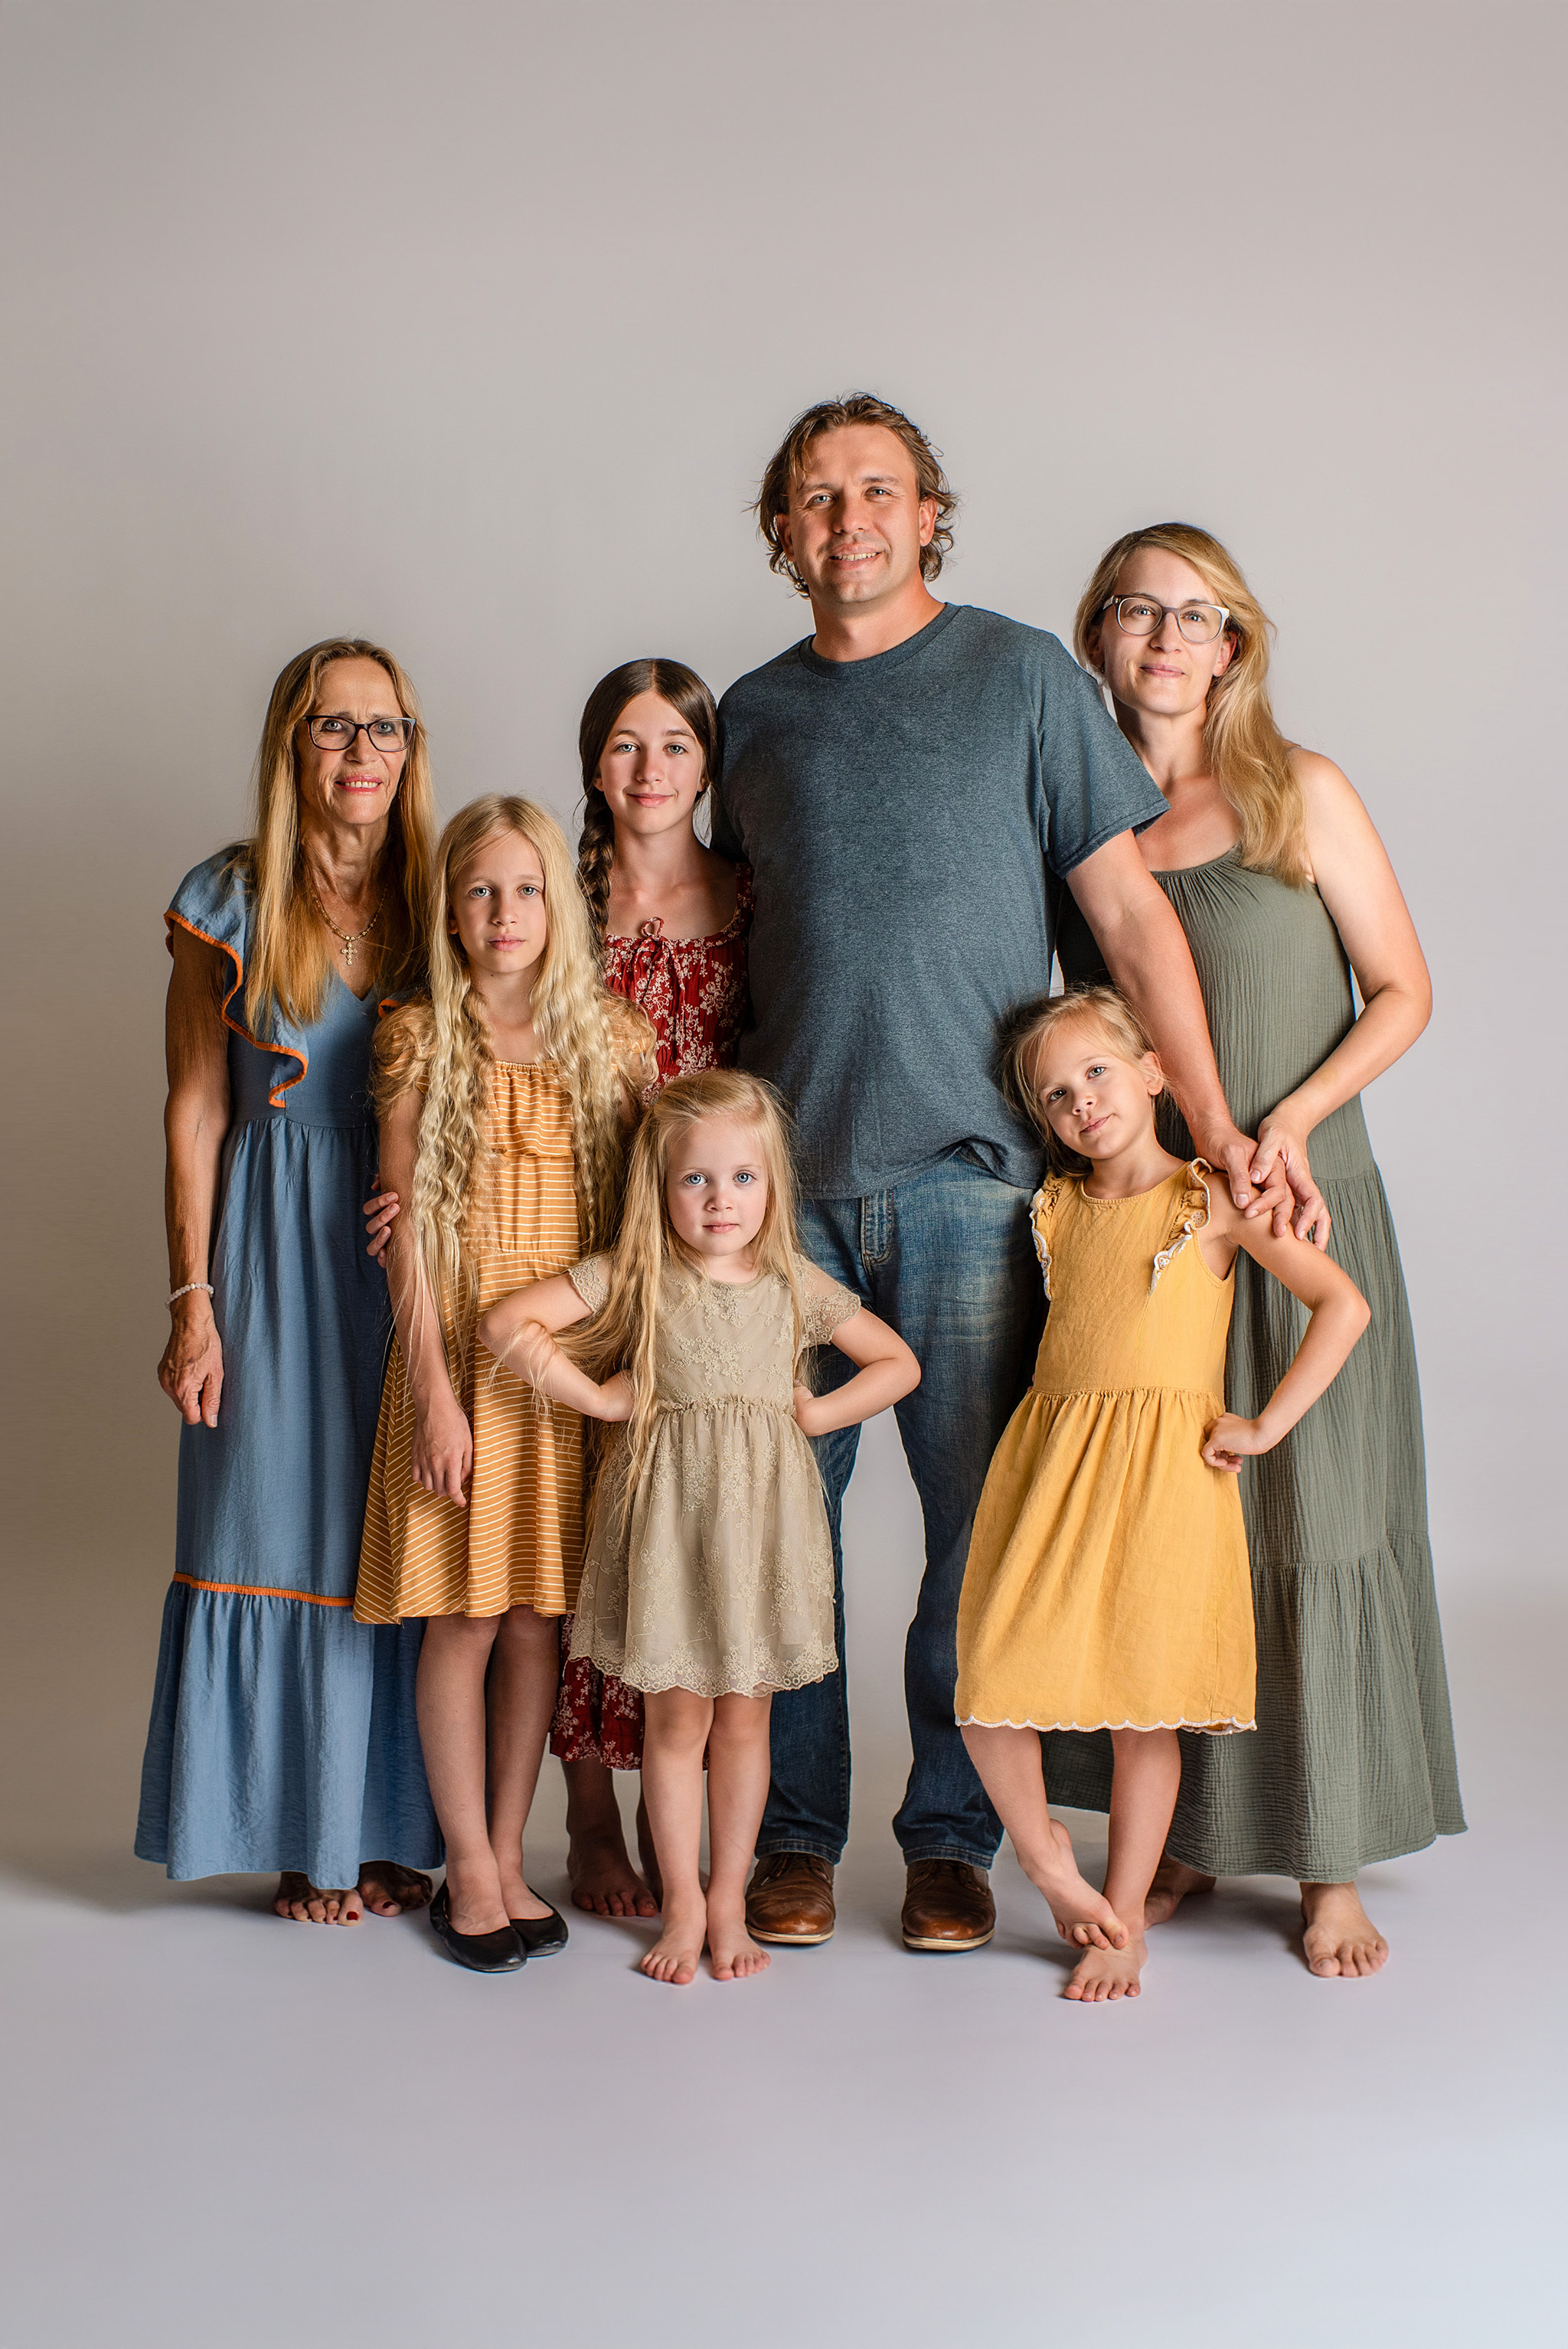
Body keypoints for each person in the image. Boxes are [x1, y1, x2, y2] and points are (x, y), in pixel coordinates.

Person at [712, 393, 1300, 1955]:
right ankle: (793, 1835)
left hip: (981, 1187)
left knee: (987, 1545)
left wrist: (1217, 1128)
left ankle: (953, 1839)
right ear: (782, 531)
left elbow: (1129, 924)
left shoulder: (1024, 677)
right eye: (816, 498)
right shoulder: (752, 717)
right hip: (788, 1208)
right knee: (785, 1536)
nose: (849, 520)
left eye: (879, 491)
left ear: (928, 513)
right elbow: (719, 946)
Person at [1052, 521, 1464, 1977]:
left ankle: (1326, 1859)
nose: (1164, 639)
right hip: (1166, 1223)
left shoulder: (1300, 793)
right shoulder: (1086, 837)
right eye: (1133, 612)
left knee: (1318, 1510)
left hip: (1298, 1198)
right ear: (1097, 637)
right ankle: (1173, 1840)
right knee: (1177, 1526)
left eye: (1194, 615)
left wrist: (1281, 1127)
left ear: (1233, 644)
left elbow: (1404, 991)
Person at [957, 988, 1370, 2000]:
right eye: (1057, 1095)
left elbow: (1340, 1303)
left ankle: (1124, 1917)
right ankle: (1051, 1859)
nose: (1081, 1103)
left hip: (1165, 1480)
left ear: (1152, 1072)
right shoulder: (1054, 1208)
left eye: (1098, 1072)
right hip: (1055, 1470)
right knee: (986, 1682)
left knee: (1147, 1711)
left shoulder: (1210, 1201)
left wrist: (1265, 1423)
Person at [479, 1071, 920, 1984]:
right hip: (672, 1529)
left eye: (742, 1178)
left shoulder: (792, 1279)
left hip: (761, 1532)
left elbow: (898, 1363)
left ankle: (728, 1899)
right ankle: (680, 1902)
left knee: (746, 1725)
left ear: (771, 1183)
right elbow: (507, 1321)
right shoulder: (638, 1273)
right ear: (661, 1184)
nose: (721, 1200)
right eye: (696, 1180)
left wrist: (814, 1414)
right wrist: (596, 1395)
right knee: (676, 1723)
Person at [137, 636, 442, 1924]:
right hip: (266, 1241)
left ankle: (376, 1834)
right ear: (291, 745)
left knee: (390, 1528)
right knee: (268, 1517)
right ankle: (293, 1837)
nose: (361, 751)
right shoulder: (227, 897)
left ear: (410, 749)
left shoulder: (443, 895)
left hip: (400, 1249)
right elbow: (195, 1110)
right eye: (333, 727)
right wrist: (190, 1300)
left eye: (384, 727)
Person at [352, 797, 652, 1972]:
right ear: (452, 910)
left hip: (563, 1379)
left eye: (526, 889)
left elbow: (646, 1219)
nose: (505, 912)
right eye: (480, 891)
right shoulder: (420, 1037)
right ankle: (466, 1866)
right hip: (463, 1374)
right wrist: (431, 1387)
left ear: (557, 907)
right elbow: (405, 1233)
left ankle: (509, 1851)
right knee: (465, 1617)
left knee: (539, 1620)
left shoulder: (614, 1041)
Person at [556, 658, 752, 1917]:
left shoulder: (751, 893)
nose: (648, 770)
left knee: (674, 1530)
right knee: (585, 1525)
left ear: (704, 763)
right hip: (576, 1230)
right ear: (593, 765)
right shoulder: (559, 899)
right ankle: (586, 1812)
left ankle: (671, 1806)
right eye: (625, 746)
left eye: (672, 745)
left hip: (705, 1244)